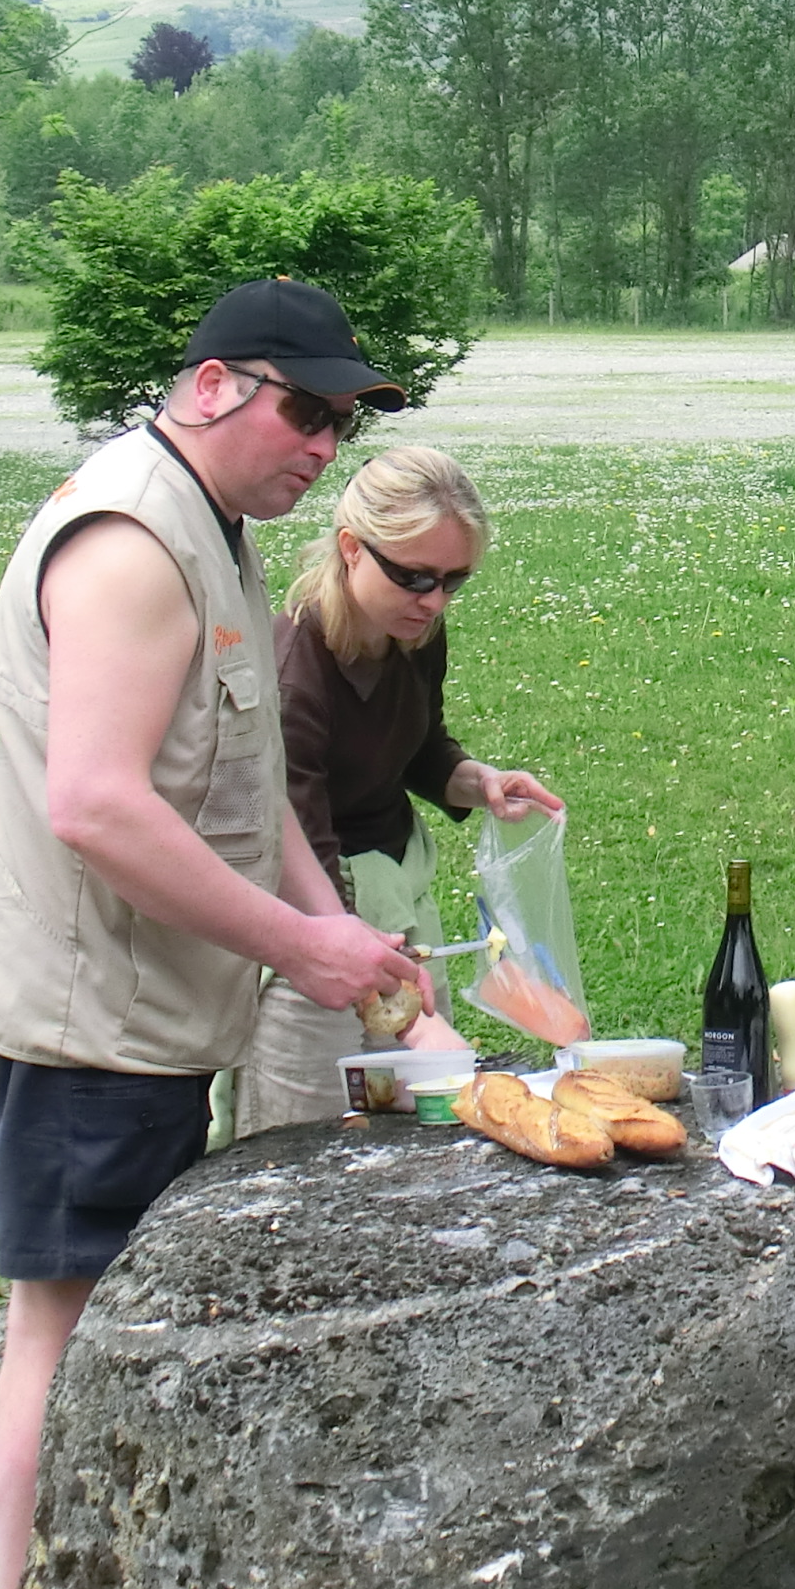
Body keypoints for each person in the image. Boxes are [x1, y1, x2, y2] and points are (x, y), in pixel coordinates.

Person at [0, 276, 431, 1589]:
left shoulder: (217, 528)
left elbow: (247, 778)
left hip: (138, 1008)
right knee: (65, 1332)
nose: (324, 445)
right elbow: (95, 802)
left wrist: (332, 929)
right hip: (83, 1016)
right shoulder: (135, 545)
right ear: (214, 385)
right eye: (305, 409)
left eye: (344, 421)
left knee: (99, 1323)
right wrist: (297, 945)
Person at [233, 443, 579, 1134]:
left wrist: (478, 782)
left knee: (417, 1135)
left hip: (396, 909)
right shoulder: (296, 670)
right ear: (351, 548)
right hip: (314, 929)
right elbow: (296, 844)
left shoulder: (414, 633)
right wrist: (408, 1019)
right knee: (308, 1144)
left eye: (453, 581)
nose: (434, 601)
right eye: (415, 577)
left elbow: (417, 745)